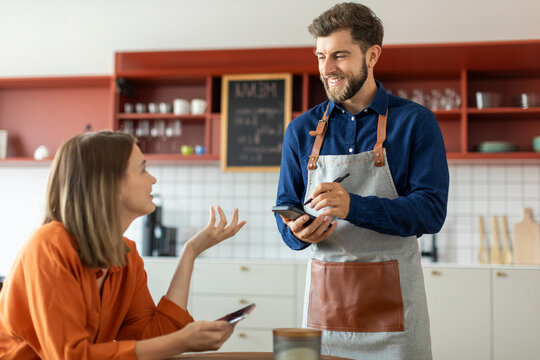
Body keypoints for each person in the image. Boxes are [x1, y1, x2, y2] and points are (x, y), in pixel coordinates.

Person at [274, 2, 448, 360]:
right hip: (326, 310)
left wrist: (353, 206)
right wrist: (296, 232)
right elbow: (285, 209)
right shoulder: (300, 131)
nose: (326, 68)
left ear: (372, 55)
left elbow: (431, 213)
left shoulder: (415, 122)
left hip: (396, 314)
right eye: (320, 56)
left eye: (339, 55)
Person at [0, 130, 246, 359]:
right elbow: (71, 356)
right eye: (142, 169)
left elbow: (153, 338)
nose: (153, 179)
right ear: (111, 184)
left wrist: (190, 252)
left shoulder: (126, 256)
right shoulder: (48, 247)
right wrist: (181, 342)